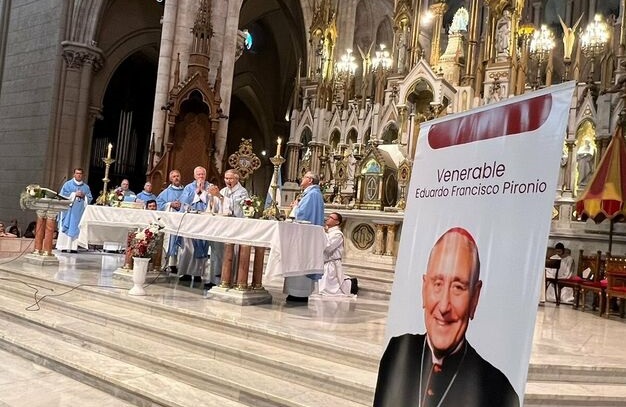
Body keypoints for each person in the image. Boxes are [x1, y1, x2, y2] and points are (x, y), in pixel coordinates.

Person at [374, 227, 519, 407]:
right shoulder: (397, 350)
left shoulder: (499, 391)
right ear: (424, 289)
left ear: (475, 297)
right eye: (437, 284)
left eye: (458, 287)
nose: (443, 307)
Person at [283, 171, 325, 302]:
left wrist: (295, 207)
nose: (302, 179)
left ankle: (298, 293)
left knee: (300, 262)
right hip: (306, 235)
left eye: (304, 177)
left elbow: (303, 215)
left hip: (303, 236)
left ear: (310, 180)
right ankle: (297, 292)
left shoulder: (312, 195)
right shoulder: (313, 194)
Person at [205, 169, 249, 290]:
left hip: (234, 228)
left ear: (237, 179)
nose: (227, 181)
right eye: (226, 178)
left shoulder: (242, 192)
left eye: (230, 178)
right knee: (216, 252)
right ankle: (214, 279)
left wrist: (219, 196)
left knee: (229, 254)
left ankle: (228, 279)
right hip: (220, 227)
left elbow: (236, 209)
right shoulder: (224, 190)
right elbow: (217, 207)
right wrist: (212, 197)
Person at [177, 166, 214, 281]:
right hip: (190, 222)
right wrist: (196, 193)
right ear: (194, 176)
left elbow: (214, 202)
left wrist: (204, 194)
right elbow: (183, 202)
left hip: (204, 222)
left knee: (202, 247)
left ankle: (198, 274)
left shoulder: (211, 187)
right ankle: (186, 272)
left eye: (203, 174)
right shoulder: (188, 187)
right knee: (188, 247)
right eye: (198, 174)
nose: (201, 176)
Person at [56, 168, 93, 253]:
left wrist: (84, 196)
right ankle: (64, 246)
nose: (79, 175)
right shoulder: (67, 184)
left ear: (82, 175)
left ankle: (73, 247)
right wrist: (74, 194)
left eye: (80, 173)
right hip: (68, 211)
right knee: (67, 225)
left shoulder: (86, 187)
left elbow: (90, 198)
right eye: (77, 173)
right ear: (74, 174)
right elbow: (62, 195)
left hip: (79, 212)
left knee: (77, 227)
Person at [156, 169, 185, 274]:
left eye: (178, 176)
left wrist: (182, 206)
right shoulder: (166, 192)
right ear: (170, 179)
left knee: (181, 243)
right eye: (174, 176)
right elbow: (159, 203)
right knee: (170, 241)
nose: (176, 178)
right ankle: (170, 264)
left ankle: (180, 265)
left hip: (182, 222)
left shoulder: (186, 191)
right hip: (171, 222)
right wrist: (170, 204)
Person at [318, 212, 353, 295]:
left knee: (325, 289)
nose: (327, 219)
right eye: (328, 217)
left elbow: (328, 248)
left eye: (331, 218)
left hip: (331, 264)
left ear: (337, 222)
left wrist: (322, 233)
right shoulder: (329, 232)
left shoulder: (338, 234)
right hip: (324, 262)